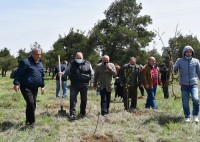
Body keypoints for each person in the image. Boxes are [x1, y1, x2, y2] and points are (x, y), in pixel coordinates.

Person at [13, 47, 45, 128]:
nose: (39, 56)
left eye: (40, 54)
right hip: (26, 87)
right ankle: (32, 123)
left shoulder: (40, 63)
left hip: (35, 87)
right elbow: (17, 73)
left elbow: (41, 75)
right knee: (31, 103)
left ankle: (28, 120)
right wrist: (16, 83)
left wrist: (42, 85)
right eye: (37, 54)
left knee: (32, 105)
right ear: (32, 54)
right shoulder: (25, 62)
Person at [169, 45, 200, 123]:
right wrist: (171, 65)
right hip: (184, 85)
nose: (188, 53)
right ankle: (187, 116)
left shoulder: (196, 61)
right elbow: (172, 71)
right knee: (185, 102)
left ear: (192, 52)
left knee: (196, 99)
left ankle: (195, 116)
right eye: (187, 52)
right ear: (184, 53)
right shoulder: (180, 60)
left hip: (194, 84)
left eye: (190, 52)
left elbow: (199, 72)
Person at [62, 52, 94, 120]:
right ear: (75, 57)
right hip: (74, 84)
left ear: (83, 57)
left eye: (80, 58)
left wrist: (92, 81)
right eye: (77, 58)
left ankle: (82, 114)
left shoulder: (88, 63)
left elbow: (92, 73)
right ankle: (72, 115)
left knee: (84, 100)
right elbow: (67, 71)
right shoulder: (71, 63)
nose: (79, 59)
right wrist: (62, 74)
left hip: (84, 84)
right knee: (73, 100)